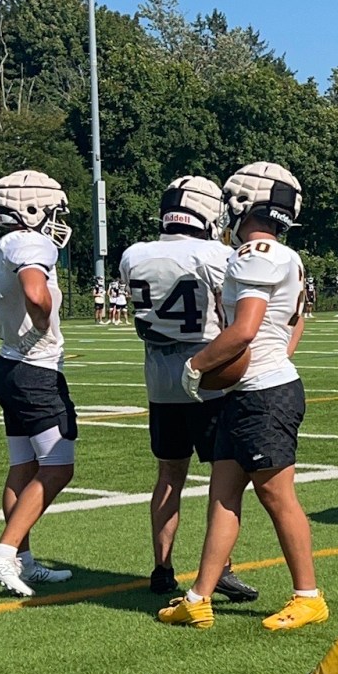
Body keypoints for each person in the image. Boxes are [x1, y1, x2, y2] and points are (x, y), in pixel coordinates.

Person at [159, 161, 327, 631]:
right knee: (223, 493)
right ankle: (199, 596)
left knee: (277, 495)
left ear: (243, 204)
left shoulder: (255, 252)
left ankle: (308, 595)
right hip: (254, 388)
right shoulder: (281, 254)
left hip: (264, 395)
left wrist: (197, 366)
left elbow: (244, 330)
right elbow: (294, 324)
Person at [118, 175, 258, 602]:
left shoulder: (134, 254)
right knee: (226, 480)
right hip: (210, 376)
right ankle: (222, 569)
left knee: (168, 476)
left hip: (160, 379)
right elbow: (230, 317)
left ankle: (162, 569)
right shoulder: (217, 254)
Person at [0, 170, 77, 596]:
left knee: (23, 465)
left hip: (8, 366)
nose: (56, 219)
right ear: (31, 208)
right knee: (58, 466)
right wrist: (40, 324)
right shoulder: (30, 243)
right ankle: (4, 550)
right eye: (52, 210)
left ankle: (22, 560)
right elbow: (35, 294)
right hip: (35, 371)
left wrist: (13, 337)